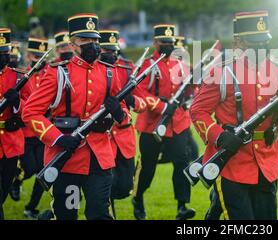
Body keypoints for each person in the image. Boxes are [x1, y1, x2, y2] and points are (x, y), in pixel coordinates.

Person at [190, 11, 278, 220]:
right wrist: (219, 135)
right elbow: (198, 111)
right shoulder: (221, 71)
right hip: (232, 160)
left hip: (267, 161)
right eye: (254, 42)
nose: (260, 48)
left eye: (263, 42)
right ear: (237, 42)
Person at [22, 13, 131, 220]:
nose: (92, 44)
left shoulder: (110, 73)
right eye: (85, 40)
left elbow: (125, 116)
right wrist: (57, 138)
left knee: (99, 214)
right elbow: (31, 112)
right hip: (67, 157)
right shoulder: (58, 73)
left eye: (94, 40)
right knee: (67, 214)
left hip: (100, 157)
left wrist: (119, 113)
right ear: (72, 45)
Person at [132, 24, 195, 220]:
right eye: (163, 42)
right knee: (148, 166)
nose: (167, 45)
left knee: (181, 161)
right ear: (155, 42)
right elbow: (138, 90)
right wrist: (160, 106)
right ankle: (138, 197)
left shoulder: (181, 63)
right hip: (152, 123)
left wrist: (191, 95)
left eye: (170, 42)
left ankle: (182, 206)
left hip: (178, 121)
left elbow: (191, 88)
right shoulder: (149, 65)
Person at [98, 29, 146, 218]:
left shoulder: (127, 69)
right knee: (105, 187)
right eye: (107, 51)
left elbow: (143, 105)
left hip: (124, 137)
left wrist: (132, 100)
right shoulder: (93, 73)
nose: (112, 55)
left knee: (125, 187)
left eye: (114, 51)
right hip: (102, 138)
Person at [19, 37, 49, 219]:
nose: (39, 59)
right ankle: (16, 179)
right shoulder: (22, 75)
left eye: (42, 56)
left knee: (42, 173)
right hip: (25, 133)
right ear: (29, 55)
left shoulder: (50, 74)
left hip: (42, 133)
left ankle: (31, 207)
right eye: (35, 55)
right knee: (29, 169)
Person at [0, 27, 25, 220]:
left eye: (5, 53)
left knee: (4, 189)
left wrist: (17, 103)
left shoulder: (18, 77)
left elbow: (32, 110)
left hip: (10, 143)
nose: (3, 56)